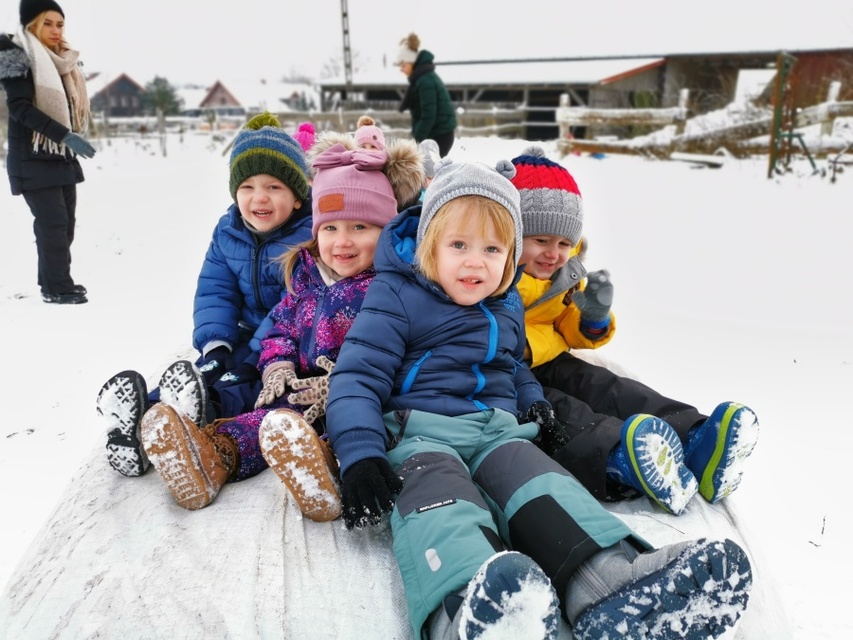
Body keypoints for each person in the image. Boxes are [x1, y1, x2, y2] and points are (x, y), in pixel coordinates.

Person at [323, 157, 753, 639]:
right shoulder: (396, 296)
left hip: (496, 432)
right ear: (429, 246)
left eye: (492, 248)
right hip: (421, 436)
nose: (474, 261)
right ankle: (467, 612)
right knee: (442, 506)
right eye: (459, 245)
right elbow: (356, 377)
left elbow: (511, 365)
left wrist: (533, 401)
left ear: (510, 257)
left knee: (543, 485)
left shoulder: (505, 301)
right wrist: (360, 454)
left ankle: (609, 584)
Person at [136, 136, 425, 515]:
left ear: (385, 232)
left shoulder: (390, 288)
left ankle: (322, 471)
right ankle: (211, 458)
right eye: (330, 228)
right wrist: (277, 363)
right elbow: (280, 328)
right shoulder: (305, 275)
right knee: (263, 422)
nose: (342, 242)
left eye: (360, 227)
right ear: (316, 232)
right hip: (297, 389)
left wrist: (341, 383)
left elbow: (409, 354)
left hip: (355, 398)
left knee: (332, 429)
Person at [509, 145, 760, 516]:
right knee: (561, 409)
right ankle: (622, 456)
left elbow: (566, 329)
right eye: (542, 240)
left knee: (605, 384)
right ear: (512, 232)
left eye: (564, 243)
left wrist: (592, 319)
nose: (554, 253)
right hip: (503, 370)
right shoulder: (491, 271)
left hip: (545, 358)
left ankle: (695, 437)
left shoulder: (563, 273)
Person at [96, 112, 313, 478]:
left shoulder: (309, 236)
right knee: (206, 370)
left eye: (274, 187)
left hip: (284, 344)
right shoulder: (228, 230)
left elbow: (293, 305)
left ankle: (206, 410)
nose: (258, 198)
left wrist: (252, 356)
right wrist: (216, 344)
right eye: (247, 187)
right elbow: (215, 289)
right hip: (243, 332)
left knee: (244, 384)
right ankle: (139, 420)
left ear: (296, 197)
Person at [0, 0, 96, 305]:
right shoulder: (15, 54)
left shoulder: (60, 60)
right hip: (33, 154)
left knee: (64, 223)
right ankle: (58, 288)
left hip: (58, 155)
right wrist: (65, 135)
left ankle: (50, 281)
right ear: (32, 25)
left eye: (60, 24)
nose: (55, 30)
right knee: (52, 222)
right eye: (47, 23)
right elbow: (20, 108)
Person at [395, 32, 457, 157]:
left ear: (411, 62)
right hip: (437, 134)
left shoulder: (425, 82)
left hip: (439, 136)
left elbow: (428, 115)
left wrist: (415, 141)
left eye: (403, 65)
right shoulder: (421, 78)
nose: (401, 69)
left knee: (427, 173)